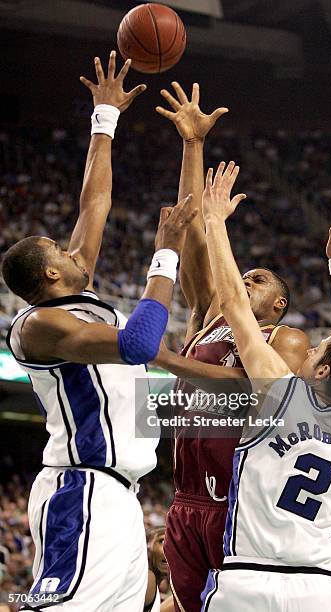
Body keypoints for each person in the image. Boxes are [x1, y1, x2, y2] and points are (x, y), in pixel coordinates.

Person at [2, 52, 196, 612]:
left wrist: (104, 117)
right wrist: (166, 253)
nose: (74, 247)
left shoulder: (74, 289)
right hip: (82, 488)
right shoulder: (41, 325)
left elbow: (95, 200)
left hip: (117, 495)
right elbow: (138, 344)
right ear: (48, 274)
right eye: (62, 250)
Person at [155, 83, 310, 611]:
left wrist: (165, 358)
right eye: (243, 273)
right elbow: (195, 235)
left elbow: (250, 393)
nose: (246, 279)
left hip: (235, 505)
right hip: (185, 500)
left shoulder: (283, 342)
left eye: (259, 279)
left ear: (278, 307)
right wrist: (193, 146)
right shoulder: (208, 318)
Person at [200, 162, 331, 611]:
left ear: (321, 371)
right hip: (320, 589)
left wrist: (215, 223)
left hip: (248, 580)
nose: (311, 348)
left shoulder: (278, 393)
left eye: (317, 348)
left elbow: (238, 310)